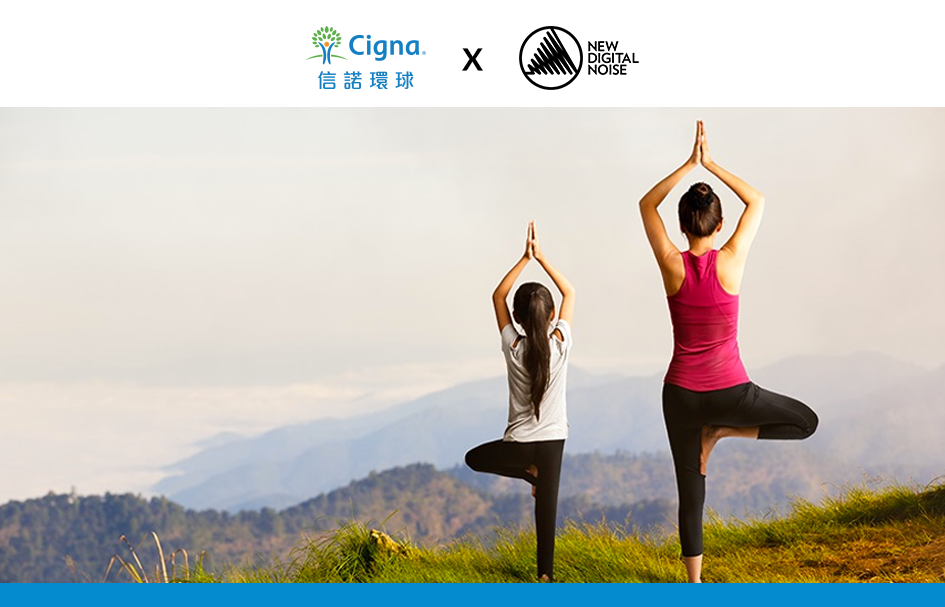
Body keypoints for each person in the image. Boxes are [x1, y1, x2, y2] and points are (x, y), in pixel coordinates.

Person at [638, 121, 818, 583]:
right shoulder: (733, 258)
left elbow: (645, 204)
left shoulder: (671, 263)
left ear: (681, 226)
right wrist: (711, 163)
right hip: (732, 394)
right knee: (805, 422)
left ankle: (694, 585)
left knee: (689, 491)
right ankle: (720, 432)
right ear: (720, 225)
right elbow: (757, 200)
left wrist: (688, 165)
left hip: (678, 394)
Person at [464, 220, 575, 583]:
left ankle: (528, 472)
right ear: (551, 316)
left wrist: (524, 258)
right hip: (554, 441)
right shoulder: (561, 343)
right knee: (547, 513)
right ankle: (546, 577)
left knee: (473, 459)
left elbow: (497, 295)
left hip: (521, 445)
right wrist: (542, 258)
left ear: (518, 319)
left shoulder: (513, 346)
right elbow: (570, 293)